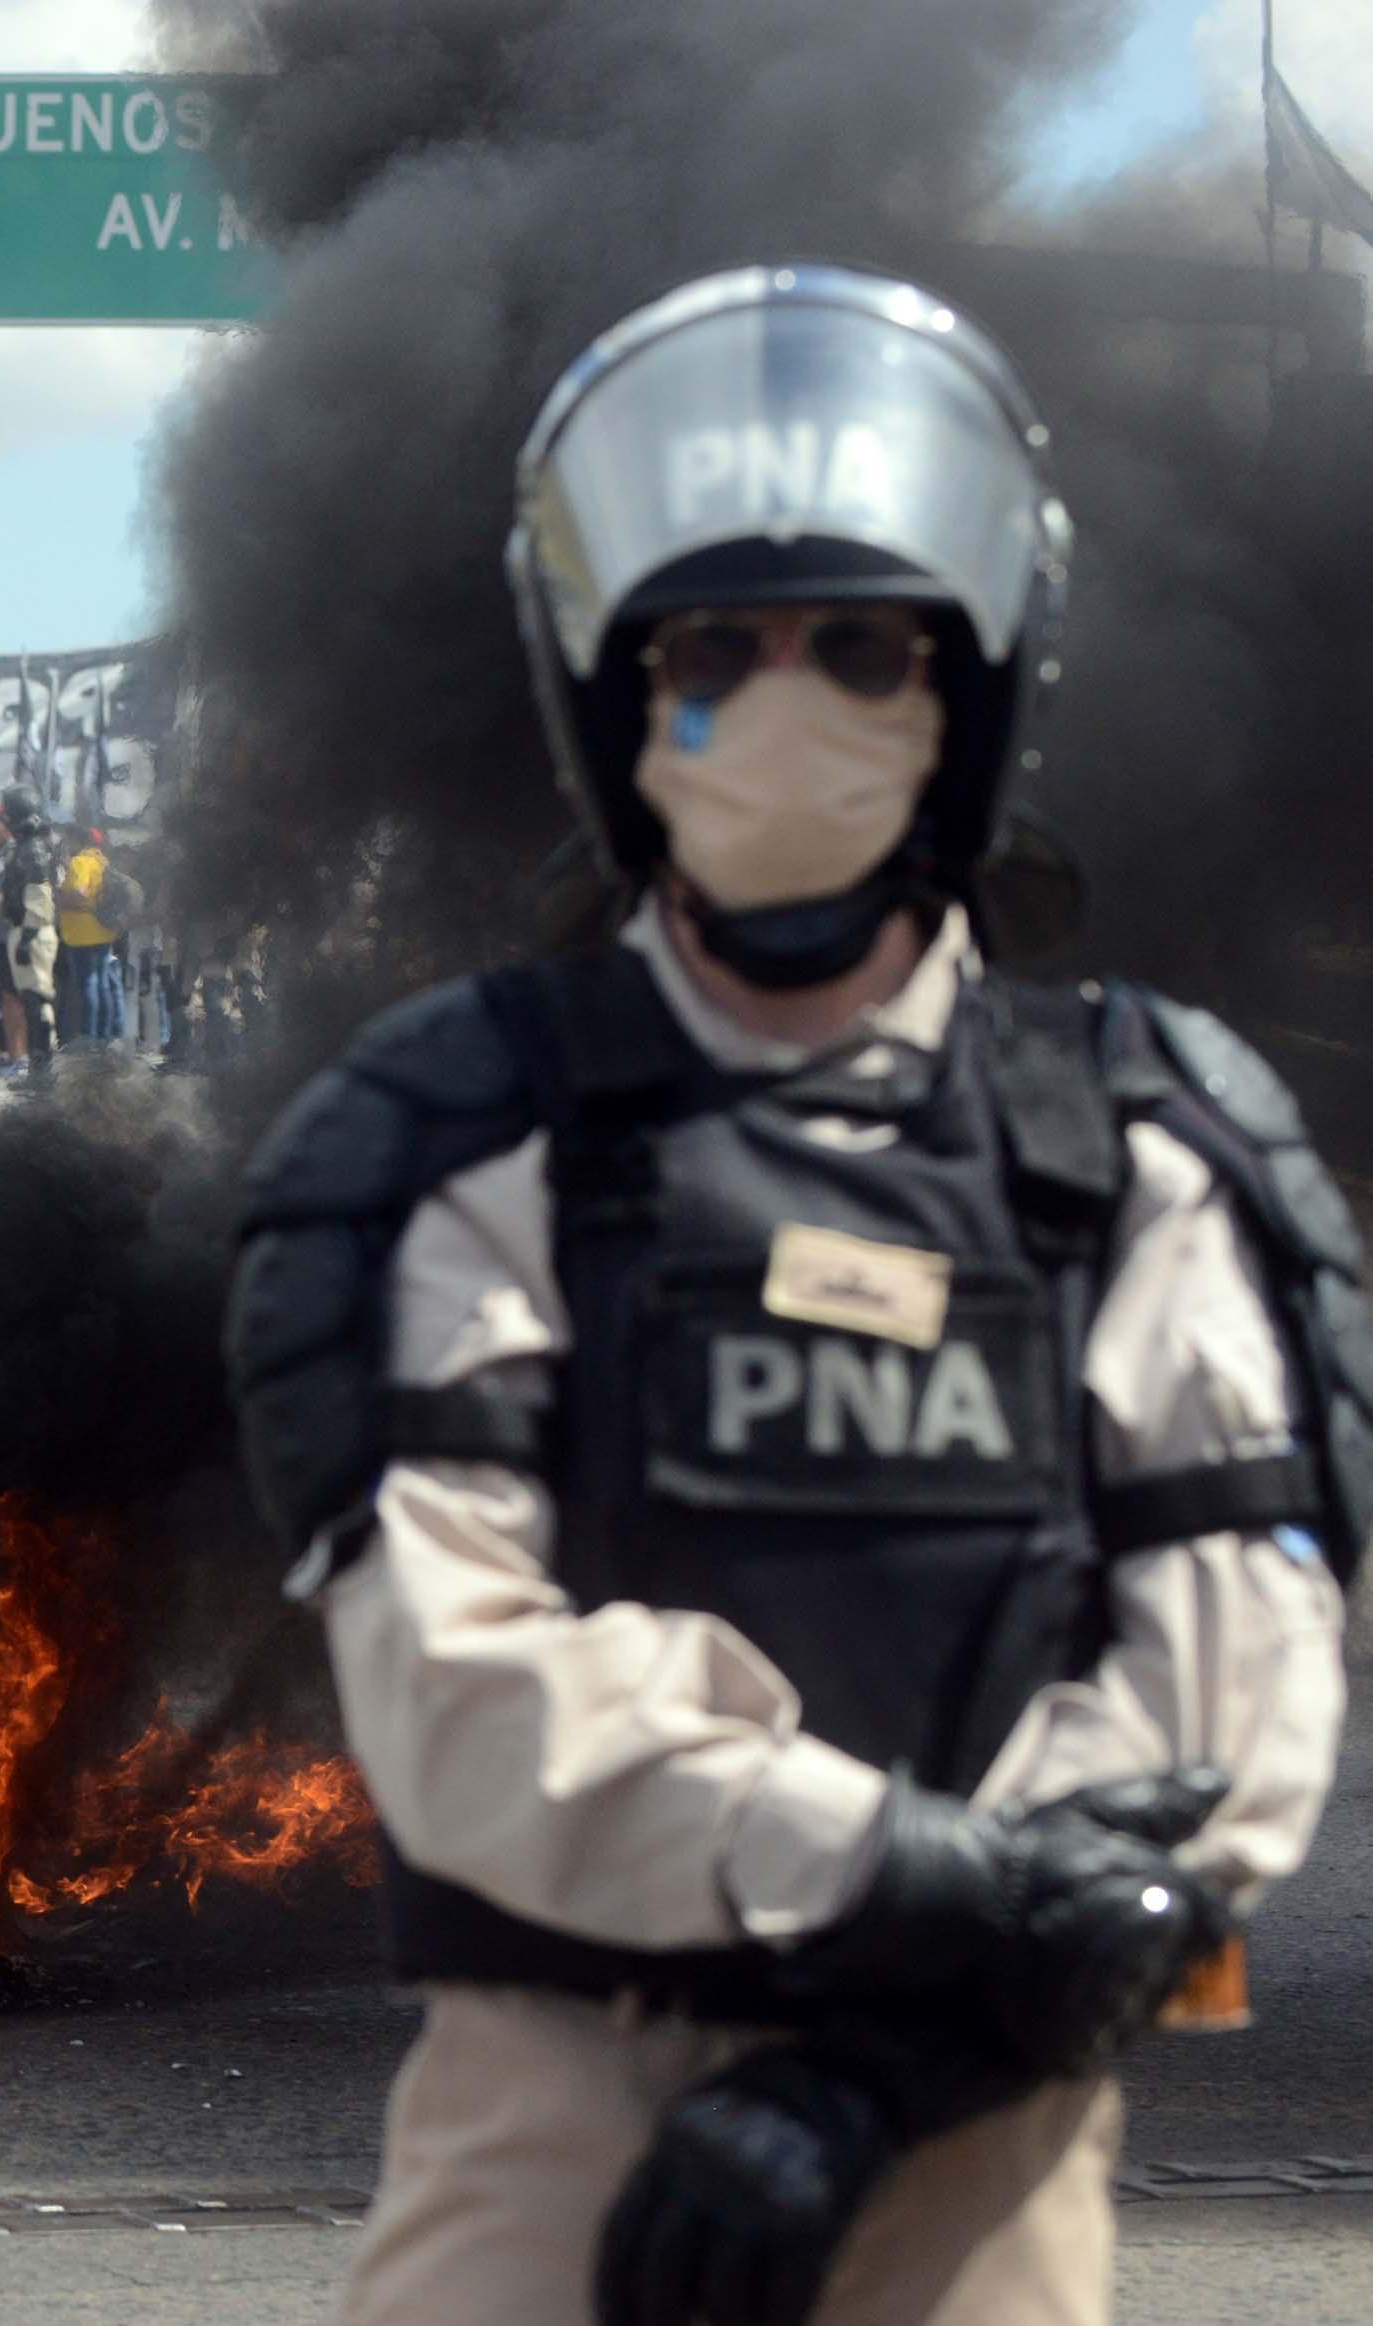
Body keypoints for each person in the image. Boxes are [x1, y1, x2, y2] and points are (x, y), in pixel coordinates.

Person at [227, 264, 1364, 2326]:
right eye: (716, 652)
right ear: (615, 688)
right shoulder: (465, 1140)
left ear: (967, 686)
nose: (785, 701)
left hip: (984, 2146)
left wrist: (864, 2080)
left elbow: (1230, 1718)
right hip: (557, 2140)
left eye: (859, 647)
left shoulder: (1141, 1149)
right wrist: (903, 1868)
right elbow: (457, 1689)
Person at [0, 788, 61, 1078]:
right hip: (23, 928)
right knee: (30, 999)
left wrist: (29, 937)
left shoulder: (32, 847)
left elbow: (40, 897)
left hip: (33, 931)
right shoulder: (24, 845)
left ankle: (43, 1068)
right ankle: (38, 1066)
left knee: (37, 1001)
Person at [54, 822, 117, 1045]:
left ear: (77, 841)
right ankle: (104, 1035)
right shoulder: (103, 862)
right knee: (102, 984)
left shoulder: (80, 862)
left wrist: (60, 900)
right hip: (104, 931)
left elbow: (80, 893)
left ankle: (89, 1037)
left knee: (88, 984)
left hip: (83, 935)